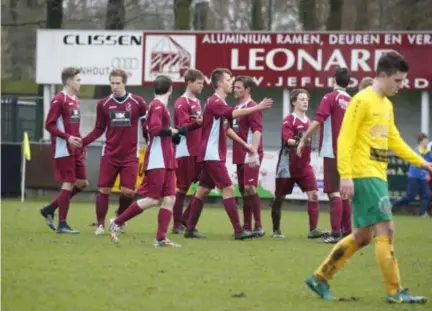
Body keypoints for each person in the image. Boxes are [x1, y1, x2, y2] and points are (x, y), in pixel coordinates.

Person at [305, 51, 432, 304]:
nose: (401, 85)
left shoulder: (386, 104)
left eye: (403, 81)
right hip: (365, 174)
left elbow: (393, 140)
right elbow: (345, 138)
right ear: (382, 75)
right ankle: (395, 291)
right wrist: (346, 176)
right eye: (397, 81)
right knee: (387, 229)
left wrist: (423, 164)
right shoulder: (361, 100)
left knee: (362, 236)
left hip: (377, 174)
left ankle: (320, 278)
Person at [184, 68, 272, 240]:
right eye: (228, 79)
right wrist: (257, 107)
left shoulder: (220, 104)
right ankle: (239, 230)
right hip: (212, 154)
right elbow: (233, 114)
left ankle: (189, 229)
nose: (231, 82)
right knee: (229, 188)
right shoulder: (215, 102)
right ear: (218, 83)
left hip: (212, 154)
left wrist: (246, 146)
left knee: (203, 190)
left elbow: (228, 130)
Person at [109, 75, 183, 247]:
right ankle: (117, 221)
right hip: (158, 159)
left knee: (170, 198)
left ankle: (161, 238)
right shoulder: (157, 105)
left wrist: (173, 137)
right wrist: (172, 132)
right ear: (171, 88)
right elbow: (155, 129)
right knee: (153, 198)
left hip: (166, 158)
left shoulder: (160, 105)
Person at [81, 69, 147, 235]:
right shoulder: (103, 104)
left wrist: (152, 142)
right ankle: (100, 225)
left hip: (131, 155)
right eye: (112, 83)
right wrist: (82, 143)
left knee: (129, 192)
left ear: (124, 83)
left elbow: (146, 127)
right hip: (109, 153)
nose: (115, 86)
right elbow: (98, 129)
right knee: (104, 190)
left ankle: (119, 218)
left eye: (118, 83)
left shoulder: (138, 102)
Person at [297, 67, 352, 244]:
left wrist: (304, 139)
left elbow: (319, 120)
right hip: (348, 151)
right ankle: (347, 232)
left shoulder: (330, 97)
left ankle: (335, 233)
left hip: (332, 149)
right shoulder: (352, 100)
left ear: (334, 79)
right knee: (344, 192)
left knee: (334, 192)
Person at [271, 89, 328, 239]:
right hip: (287, 166)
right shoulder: (289, 120)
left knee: (314, 194)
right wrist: (299, 142)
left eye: (306, 99)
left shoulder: (310, 122)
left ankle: (313, 230)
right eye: (301, 99)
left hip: (304, 166)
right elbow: (287, 140)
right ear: (294, 102)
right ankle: (276, 230)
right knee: (279, 198)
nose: (305, 102)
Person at [40, 67, 87, 234]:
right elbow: (49, 124)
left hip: (75, 148)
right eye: (78, 80)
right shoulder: (59, 100)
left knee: (82, 183)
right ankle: (62, 224)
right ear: (69, 81)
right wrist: (67, 137)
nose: (80, 83)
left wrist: (82, 144)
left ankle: (50, 208)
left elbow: (75, 126)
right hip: (63, 148)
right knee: (68, 182)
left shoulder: (75, 99)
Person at [171, 69, 204, 234]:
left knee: (205, 185)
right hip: (185, 150)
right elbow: (182, 128)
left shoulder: (197, 102)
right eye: (199, 83)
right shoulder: (181, 102)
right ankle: (176, 224)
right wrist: (199, 124)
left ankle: (185, 218)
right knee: (182, 188)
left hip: (199, 150)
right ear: (189, 82)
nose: (201, 86)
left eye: (202, 83)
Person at [231, 76, 265, 237]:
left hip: (251, 153)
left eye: (239, 87)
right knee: (244, 190)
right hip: (239, 153)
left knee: (250, 188)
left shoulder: (252, 107)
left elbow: (257, 130)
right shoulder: (238, 107)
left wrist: (253, 152)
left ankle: (258, 225)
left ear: (247, 90)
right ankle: (247, 225)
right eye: (234, 87)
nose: (235, 90)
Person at [392, 133, 431, 217]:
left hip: (423, 178)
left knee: (426, 195)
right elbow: (418, 162)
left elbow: (429, 164)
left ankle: (422, 213)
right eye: (424, 141)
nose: (426, 143)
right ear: (420, 142)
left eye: (427, 141)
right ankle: (392, 205)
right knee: (410, 197)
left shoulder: (428, 152)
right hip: (414, 177)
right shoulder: (416, 151)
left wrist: (428, 174)